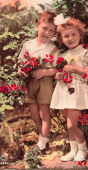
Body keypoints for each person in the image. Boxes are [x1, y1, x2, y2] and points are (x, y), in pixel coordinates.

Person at [51, 14, 88, 161]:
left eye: (73, 34)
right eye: (66, 36)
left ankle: (83, 150)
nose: (70, 38)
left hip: (78, 90)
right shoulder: (63, 54)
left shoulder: (86, 53)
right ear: (61, 39)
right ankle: (73, 150)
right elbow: (62, 70)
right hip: (64, 89)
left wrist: (74, 68)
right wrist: (59, 75)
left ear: (80, 35)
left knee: (71, 124)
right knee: (68, 123)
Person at [18, 12, 59, 151]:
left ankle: (42, 142)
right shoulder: (27, 45)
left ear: (54, 33)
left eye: (51, 30)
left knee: (44, 113)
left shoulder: (53, 48)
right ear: (37, 26)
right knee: (34, 113)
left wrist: (44, 72)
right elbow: (21, 62)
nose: (47, 32)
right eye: (44, 28)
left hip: (45, 81)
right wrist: (21, 71)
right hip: (30, 82)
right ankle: (44, 137)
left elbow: (56, 69)